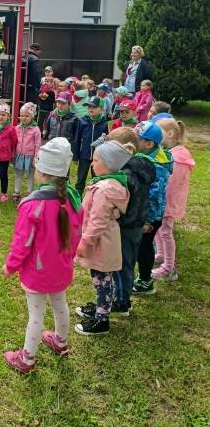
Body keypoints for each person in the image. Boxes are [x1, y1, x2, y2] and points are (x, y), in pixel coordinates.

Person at [2, 138, 82, 373]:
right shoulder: (74, 200)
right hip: (62, 266)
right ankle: (60, 341)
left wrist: (11, 265)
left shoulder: (32, 205)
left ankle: (26, 359)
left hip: (38, 271)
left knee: (36, 314)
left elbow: (22, 242)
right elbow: (77, 234)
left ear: (42, 171)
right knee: (60, 304)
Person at [74, 141, 132, 336]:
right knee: (101, 277)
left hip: (100, 241)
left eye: (96, 159)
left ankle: (102, 319)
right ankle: (101, 307)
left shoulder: (104, 191)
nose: (92, 163)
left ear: (109, 164)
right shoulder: (111, 184)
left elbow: (97, 221)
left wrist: (85, 241)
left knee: (102, 279)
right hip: (104, 238)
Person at [105, 128, 156, 315]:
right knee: (128, 262)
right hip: (137, 224)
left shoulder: (126, 175)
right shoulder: (141, 167)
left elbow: (120, 203)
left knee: (121, 264)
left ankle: (122, 301)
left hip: (126, 225)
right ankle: (123, 296)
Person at [132, 122, 173, 296]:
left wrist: (148, 220)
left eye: (138, 139)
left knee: (144, 247)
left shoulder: (156, 166)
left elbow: (155, 196)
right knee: (143, 245)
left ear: (149, 144)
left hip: (150, 215)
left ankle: (145, 281)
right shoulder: (150, 156)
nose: (134, 142)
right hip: (146, 212)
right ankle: (143, 276)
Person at [152, 118, 194, 282]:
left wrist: (158, 199)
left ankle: (169, 268)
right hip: (161, 200)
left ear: (169, 134)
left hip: (168, 202)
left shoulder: (179, 158)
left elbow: (170, 185)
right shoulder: (169, 152)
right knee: (158, 229)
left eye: (158, 131)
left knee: (165, 232)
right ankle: (161, 254)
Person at [73, 96, 109, 196]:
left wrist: (105, 157)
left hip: (98, 157)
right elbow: (77, 139)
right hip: (84, 156)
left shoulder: (104, 123)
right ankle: (77, 199)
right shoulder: (82, 121)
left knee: (97, 179)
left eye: (94, 107)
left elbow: (106, 140)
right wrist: (75, 156)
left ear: (101, 109)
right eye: (89, 107)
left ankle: (95, 198)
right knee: (80, 180)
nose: (91, 109)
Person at [13, 102, 41, 202]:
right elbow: (14, 141)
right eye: (22, 116)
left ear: (32, 117)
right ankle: (16, 191)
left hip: (30, 156)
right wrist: (13, 153)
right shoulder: (17, 128)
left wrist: (36, 157)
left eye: (27, 116)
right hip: (19, 155)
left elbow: (38, 144)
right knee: (19, 174)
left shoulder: (35, 129)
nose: (24, 118)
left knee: (30, 175)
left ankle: (30, 192)